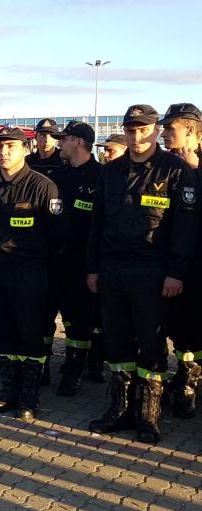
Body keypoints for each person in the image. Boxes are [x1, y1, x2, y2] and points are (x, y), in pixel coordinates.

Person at [87, 104, 199, 443]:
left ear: (153, 131)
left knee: (150, 342)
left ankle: (148, 414)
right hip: (112, 268)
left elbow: (185, 228)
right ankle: (120, 409)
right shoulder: (111, 171)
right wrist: (92, 268)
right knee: (116, 339)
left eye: (144, 129)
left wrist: (176, 273)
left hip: (153, 271)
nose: (138, 136)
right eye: (132, 129)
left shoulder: (175, 170)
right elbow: (97, 224)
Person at [0, 127, 63, 421]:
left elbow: (56, 238)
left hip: (29, 271)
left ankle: (29, 395)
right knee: (1, 332)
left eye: (11, 147)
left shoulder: (43, 187)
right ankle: (8, 390)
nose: (4, 152)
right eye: (0, 147)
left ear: (25, 149)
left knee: (30, 333)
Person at [46, 121, 103, 395]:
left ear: (78, 142)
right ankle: (41, 366)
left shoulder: (101, 177)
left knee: (78, 320)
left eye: (64, 139)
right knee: (45, 314)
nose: (59, 143)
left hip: (82, 263)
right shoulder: (58, 176)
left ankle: (73, 371)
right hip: (53, 260)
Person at [157, 103, 202, 419]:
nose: (162, 133)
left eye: (168, 128)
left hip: (198, 264)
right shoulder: (165, 164)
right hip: (166, 260)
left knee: (193, 326)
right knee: (172, 324)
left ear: (190, 130)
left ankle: (189, 383)